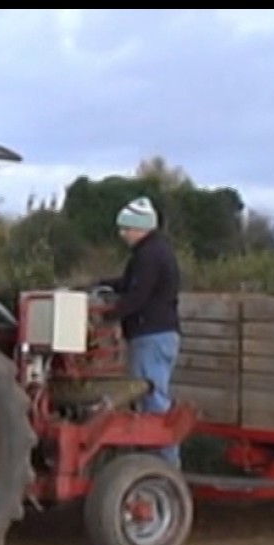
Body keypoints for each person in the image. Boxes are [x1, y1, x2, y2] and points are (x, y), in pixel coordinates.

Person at [98, 196, 183, 468]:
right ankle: (154, 465)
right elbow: (129, 284)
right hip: (152, 334)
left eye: (126, 228)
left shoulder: (150, 255)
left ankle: (166, 469)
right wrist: (102, 284)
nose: (123, 234)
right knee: (145, 399)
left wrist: (107, 317)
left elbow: (138, 295)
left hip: (152, 335)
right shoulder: (151, 252)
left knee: (152, 399)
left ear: (140, 228)